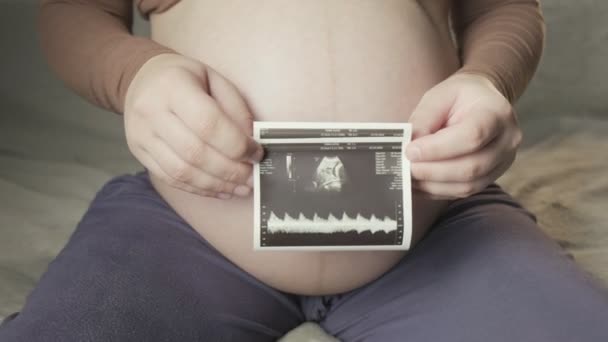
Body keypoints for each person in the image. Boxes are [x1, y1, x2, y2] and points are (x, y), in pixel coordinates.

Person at [2, 0, 608, 340]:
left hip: (436, 225)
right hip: (184, 226)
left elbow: (503, 8)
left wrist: (487, 81)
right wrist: (131, 72)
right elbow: (75, 13)